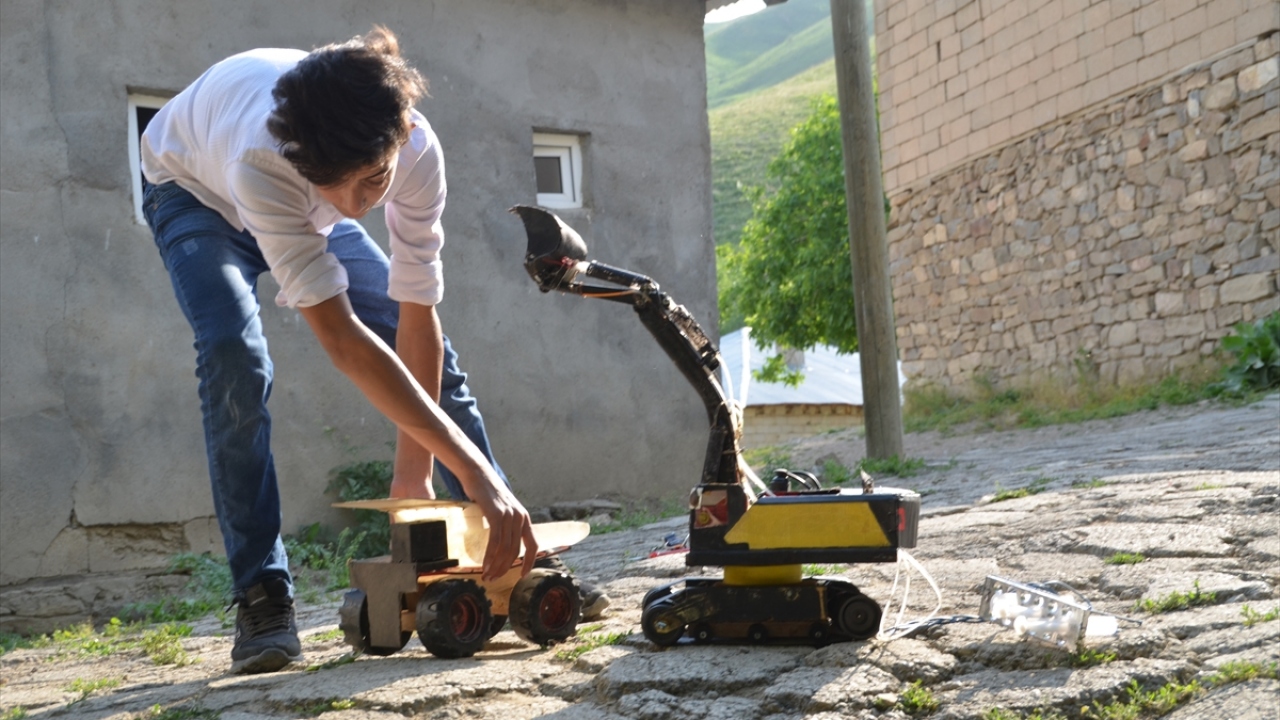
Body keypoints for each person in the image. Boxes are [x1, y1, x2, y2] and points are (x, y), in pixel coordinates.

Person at [140, 26, 603, 675]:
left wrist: (415, 478)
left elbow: (416, 315)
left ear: (401, 133)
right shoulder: (264, 161)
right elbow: (343, 341)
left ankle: (514, 558)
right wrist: (465, 469)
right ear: (305, 159)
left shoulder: (414, 151)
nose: (358, 204)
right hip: (192, 189)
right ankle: (262, 594)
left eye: (374, 181)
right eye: (341, 187)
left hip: (294, 193)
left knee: (419, 339)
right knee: (232, 354)